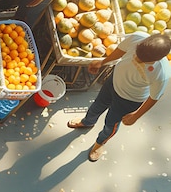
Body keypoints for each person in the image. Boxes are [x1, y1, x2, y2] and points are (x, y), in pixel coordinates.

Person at [67, 32, 171, 162]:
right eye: (138, 54)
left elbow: (154, 97)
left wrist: (136, 115)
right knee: (97, 105)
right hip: (112, 82)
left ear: (158, 59)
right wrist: (103, 62)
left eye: (142, 60)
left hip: (129, 100)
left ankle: (100, 143)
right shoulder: (137, 37)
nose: (137, 59)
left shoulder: (162, 74)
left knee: (111, 124)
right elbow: (120, 51)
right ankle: (87, 122)